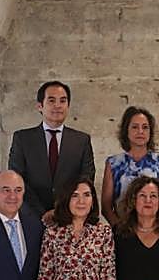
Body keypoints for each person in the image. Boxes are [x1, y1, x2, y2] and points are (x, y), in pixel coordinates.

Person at [8, 80, 95, 218]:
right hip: (31, 216)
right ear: (40, 106)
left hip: (70, 215)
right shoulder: (22, 139)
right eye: (51, 100)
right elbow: (17, 179)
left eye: (63, 101)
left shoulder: (81, 141)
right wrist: (41, 212)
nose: (58, 106)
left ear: (68, 106)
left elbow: (86, 178)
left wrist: (60, 210)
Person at [101, 105, 159, 223]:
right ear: (126, 130)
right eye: (135, 127)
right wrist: (119, 229)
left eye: (145, 127)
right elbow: (106, 206)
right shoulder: (113, 164)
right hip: (122, 231)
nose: (140, 131)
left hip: (155, 230)